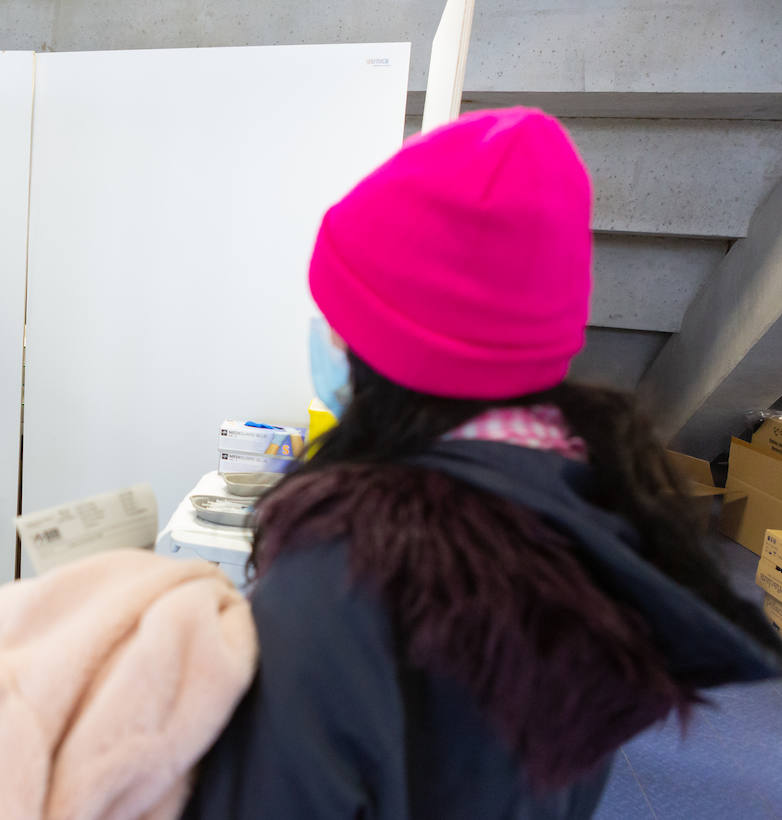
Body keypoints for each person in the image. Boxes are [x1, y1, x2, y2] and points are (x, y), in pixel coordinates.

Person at [180, 109, 782, 818]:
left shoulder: (341, 585)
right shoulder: (600, 526)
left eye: (338, 317)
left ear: (383, 351)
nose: (326, 336)